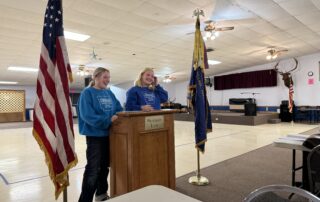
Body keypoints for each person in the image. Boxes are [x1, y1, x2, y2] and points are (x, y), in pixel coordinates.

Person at [77, 67, 123, 202]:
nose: (107, 80)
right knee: (93, 169)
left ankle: (101, 194)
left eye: (109, 77)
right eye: (105, 77)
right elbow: (87, 115)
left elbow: (119, 109)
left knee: (104, 167)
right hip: (95, 137)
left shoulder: (109, 93)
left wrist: (117, 115)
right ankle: (85, 199)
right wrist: (107, 120)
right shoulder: (87, 93)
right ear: (95, 77)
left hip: (109, 136)